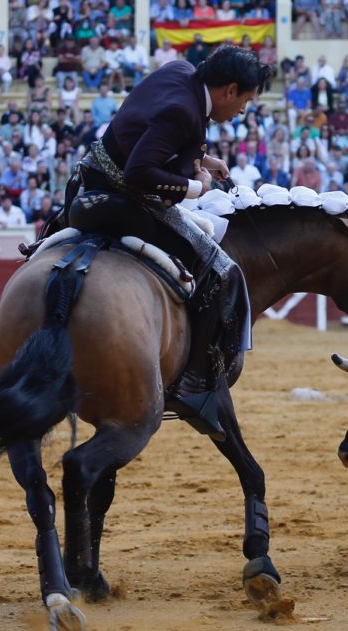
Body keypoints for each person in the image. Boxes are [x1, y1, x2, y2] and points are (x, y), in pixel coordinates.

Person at [59, 46, 271, 440]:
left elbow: (147, 128)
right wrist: (195, 186)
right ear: (229, 90)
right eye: (246, 100)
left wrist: (201, 158)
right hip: (121, 199)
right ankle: (193, 384)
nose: (244, 110)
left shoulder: (179, 72)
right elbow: (140, 172)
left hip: (86, 186)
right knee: (222, 270)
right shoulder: (186, 112)